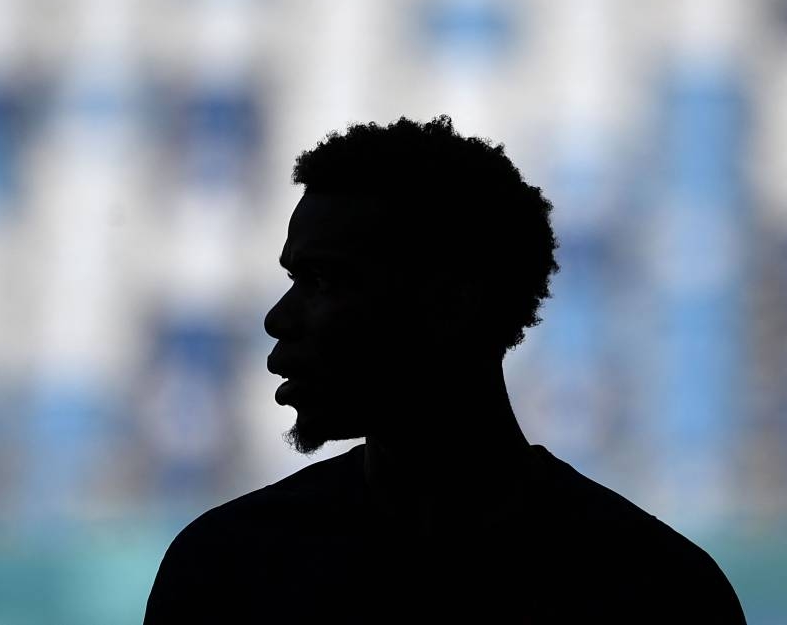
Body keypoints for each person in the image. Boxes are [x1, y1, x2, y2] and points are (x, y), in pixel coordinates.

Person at [144, 116, 746, 623]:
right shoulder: (226, 565)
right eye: (293, 279)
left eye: (323, 280)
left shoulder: (654, 592)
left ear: (453, 300)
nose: (278, 318)